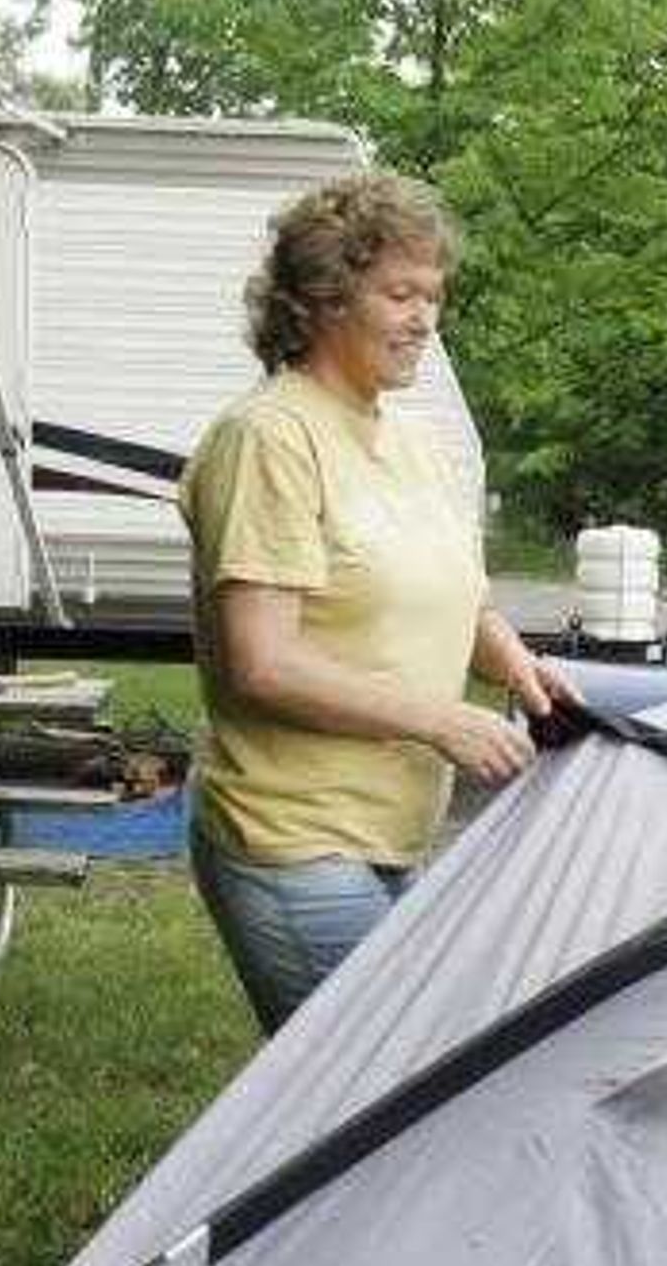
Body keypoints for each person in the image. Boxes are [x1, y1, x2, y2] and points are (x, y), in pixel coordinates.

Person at [183, 171, 554, 1032]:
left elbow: (456, 599)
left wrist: (517, 666)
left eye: (434, 295)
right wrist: (441, 720)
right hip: (292, 836)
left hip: (387, 834)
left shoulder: (414, 441)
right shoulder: (268, 437)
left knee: (379, 1100)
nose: (425, 318)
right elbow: (262, 662)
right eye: (400, 293)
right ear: (322, 298)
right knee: (377, 1095)